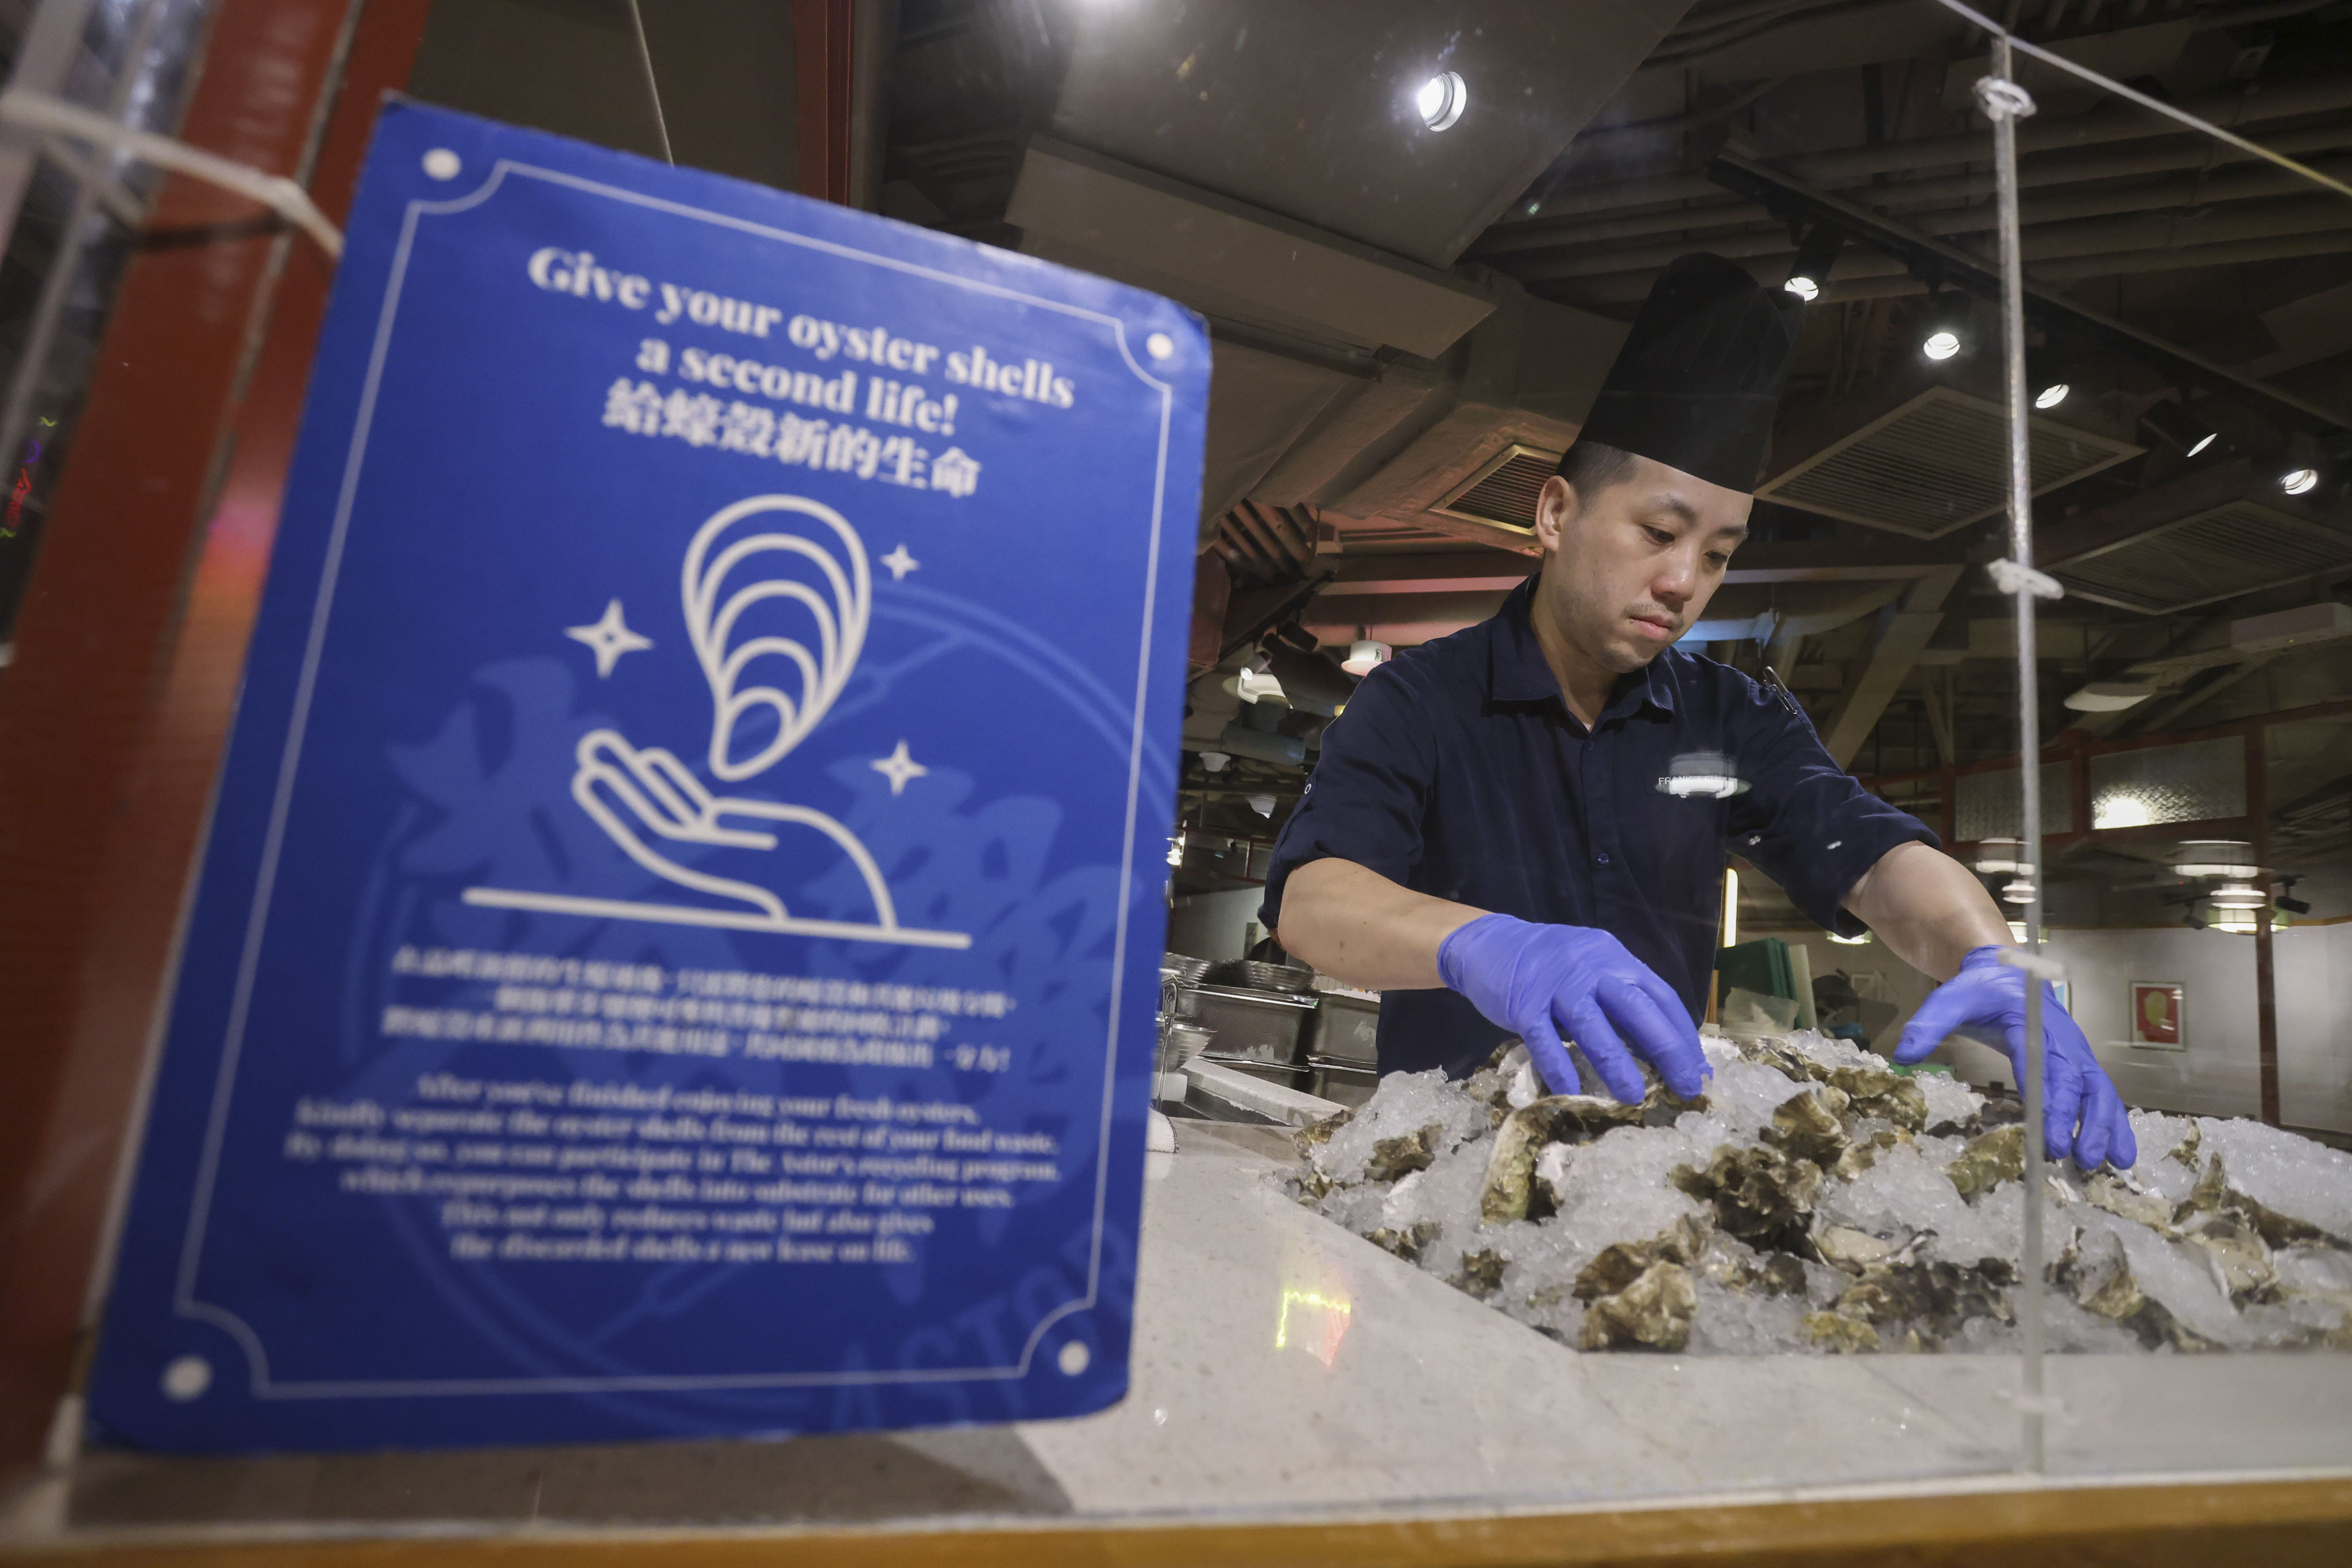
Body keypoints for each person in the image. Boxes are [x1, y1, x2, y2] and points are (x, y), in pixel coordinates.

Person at [1261, 253, 2133, 1171]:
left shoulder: (1730, 718)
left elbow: (1873, 859)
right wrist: (1490, 946)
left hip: (1643, 1182)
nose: (1683, 582)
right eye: (1658, 533)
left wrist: (1990, 958)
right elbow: (1313, 902)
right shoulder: (1421, 698)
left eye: (1718, 553)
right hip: (1443, 1173)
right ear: (1556, 513)